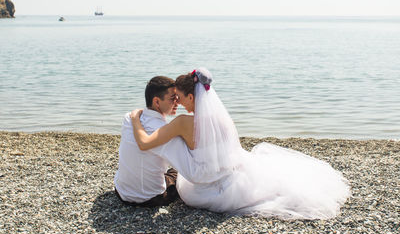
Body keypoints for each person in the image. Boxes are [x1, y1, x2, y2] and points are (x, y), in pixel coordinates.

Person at [130, 68, 351, 219]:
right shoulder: (223, 120)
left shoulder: (181, 123)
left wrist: (134, 119)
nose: (177, 101)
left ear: (191, 96)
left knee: (174, 145)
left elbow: (145, 142)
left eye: (179, 96)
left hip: (202, 192)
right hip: (232, 181)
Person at [114, 76, 180, 207]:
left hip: (121, 193)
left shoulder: (129, 118)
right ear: (156, 101)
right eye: (173, 98)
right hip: (151, 197)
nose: (177, 102)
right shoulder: (163, 130)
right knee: (179, 172)